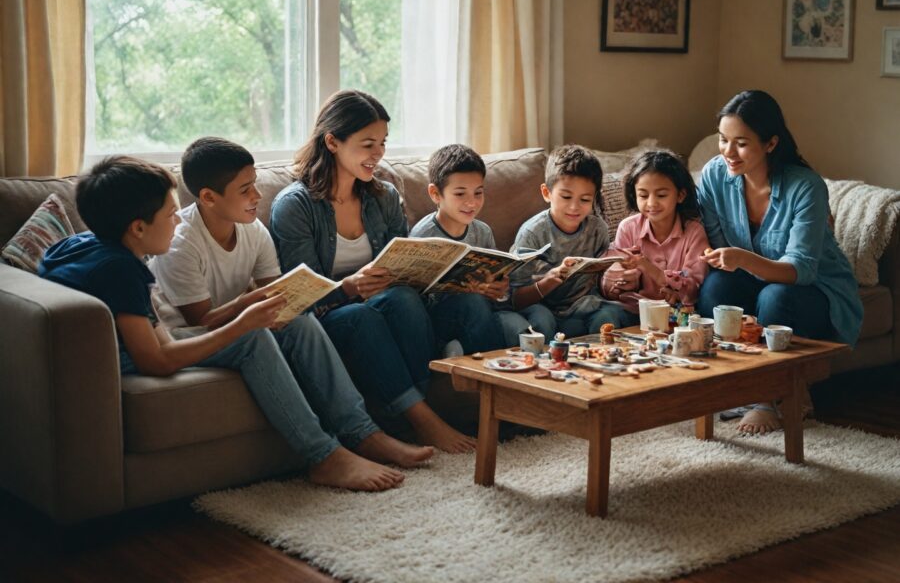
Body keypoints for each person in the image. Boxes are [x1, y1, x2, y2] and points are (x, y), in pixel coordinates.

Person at [39, 155, 427, 493]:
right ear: (138, 227)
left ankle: (363, 432)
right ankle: (323, 455)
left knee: (293, 320)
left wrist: (250, 308)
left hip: (134, 346)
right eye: (171, 213)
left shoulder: (90, 245)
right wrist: (242, 324)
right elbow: (155, 360)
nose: (178, 221)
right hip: (117, 363)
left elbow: (154, 334)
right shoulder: (118, 268)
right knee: (254, 337)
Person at [270, 90, 476, 454]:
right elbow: (301, 295)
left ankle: (407, 414)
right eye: (368, 144)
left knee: (404, 298)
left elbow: (403, 263)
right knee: (363, 317)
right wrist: (348, 287)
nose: (378, 154)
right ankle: (422, 420)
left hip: (384, 302)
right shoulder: (295, 207)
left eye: (382, 143)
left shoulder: (383, 197)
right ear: (332, 141)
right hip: (328, 315)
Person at [696, 90, 863, 434]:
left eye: (741, 143)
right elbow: (711, 241)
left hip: (813, 291)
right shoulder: (715, 176)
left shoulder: (806, 187)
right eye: (723, 140)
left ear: (770, 144)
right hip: (752, 280)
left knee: (774, 296)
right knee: (715, 285)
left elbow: (800, 270)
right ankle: (731, 384)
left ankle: (768, 397)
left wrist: (742, 257)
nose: (728, 152)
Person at [410, 144, 540, 352]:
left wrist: (497, 289)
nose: (471, 202)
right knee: (472, 303)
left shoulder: (482, 231)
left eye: (478, 193)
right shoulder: (423, 235)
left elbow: (497, 289)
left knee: (522, 327)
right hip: (439, 319)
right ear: (435, 194)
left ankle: (463, 350)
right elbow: (416, 300)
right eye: (460, 194)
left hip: (480, 310)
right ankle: (485, 370)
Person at [508, 144, 630, 339]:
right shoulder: (532, 232)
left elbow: (601, 277)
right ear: (547, 193)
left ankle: (599, 366)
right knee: (542, 321)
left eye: (584, 199)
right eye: (566, 197)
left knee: (609, 316)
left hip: (582, 307)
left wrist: (618, 272)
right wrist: (548, 282)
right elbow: (515, 298)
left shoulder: (597, 229)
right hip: (541, 306)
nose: (574, 207)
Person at [600, 149, 709, 324]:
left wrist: (649, 268)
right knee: (605, 316)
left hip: (676, 314)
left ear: (680, 195)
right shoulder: (628, 228)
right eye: (643, 195)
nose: (651, 203)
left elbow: (693, 288)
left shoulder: (694, 232)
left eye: (661, 195)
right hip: (632, 309)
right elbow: (610, 278)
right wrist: (620, 282)